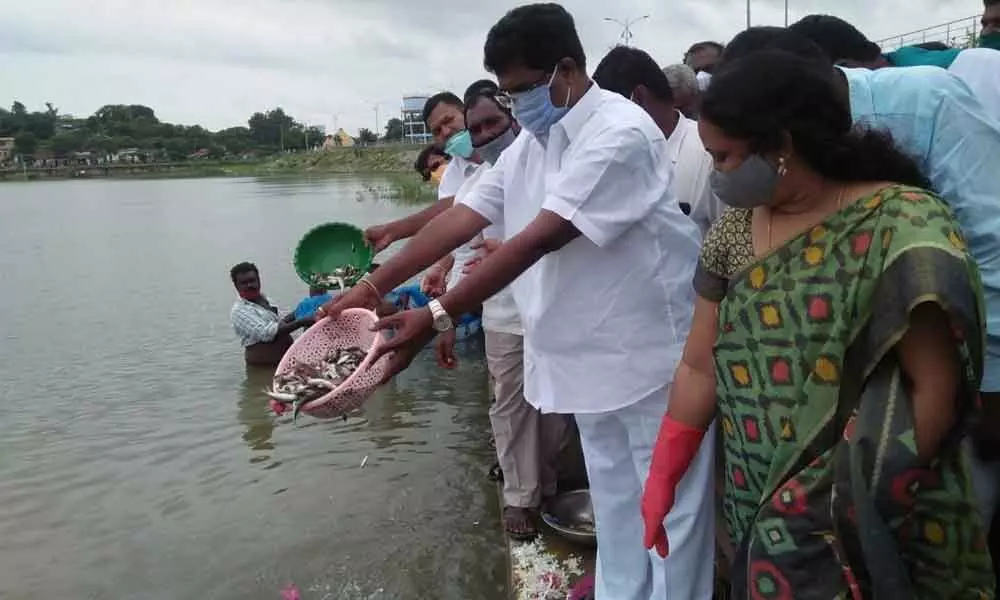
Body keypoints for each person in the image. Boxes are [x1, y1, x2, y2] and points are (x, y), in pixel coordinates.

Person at [319, 5, 716, 598]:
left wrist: (435, 316)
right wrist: (369, 288)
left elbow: (540, 237)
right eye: (509, 95)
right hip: (589, 355)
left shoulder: (619, 132)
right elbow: (462, 216)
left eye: (524, 89)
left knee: (673, 509)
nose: (517, 105)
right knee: (615, 500)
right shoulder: (536, 142)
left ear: (565, 70)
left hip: (653, 358)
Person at [641, 49, 995, 598]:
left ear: (781, 146)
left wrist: (849, 505)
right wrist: (664, 473)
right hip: (755, 491)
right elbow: (699, 365)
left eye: (725, 156)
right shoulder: (734, 234)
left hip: (877, 506)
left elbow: (935, 388)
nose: (716, 174)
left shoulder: (900, 225)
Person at [439, 83, 573, 541]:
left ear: (511, 115)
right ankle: (520, 494)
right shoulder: (479, 179)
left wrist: (509, 250)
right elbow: (454, 240)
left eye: (491, 123)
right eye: (475, 129)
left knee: (553, 404)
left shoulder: (546, 161)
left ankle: (548, 482)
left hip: (550, 306)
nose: (482, 134)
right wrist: (445, 312)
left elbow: (562, 232)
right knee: (510, 404)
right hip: (501, 314)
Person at [593, 46, 722, 234]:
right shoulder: (604, 154)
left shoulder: (708, 156)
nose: (605, 124)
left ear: (638, 98)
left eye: (610, 111)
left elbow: (735, 246)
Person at [364, 92, 479, 254]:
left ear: (466, 111)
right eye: (437, 131)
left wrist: (392, 231)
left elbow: (459, 206)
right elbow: (449, 223)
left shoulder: (503, 150)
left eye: (448, 120)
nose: (445, 132)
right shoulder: (451, 176)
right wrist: (441, 267)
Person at [229, 262, 312, 366]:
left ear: (259, 280)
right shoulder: (239, 310)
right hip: (264, 367)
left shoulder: (266, 300)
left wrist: (300, 311)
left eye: (252, 281)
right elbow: (266, 333)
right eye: (244, 283)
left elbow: (280, 323)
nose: (249, 285)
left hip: (285, 361)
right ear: (236, 286)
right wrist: (302, 322)